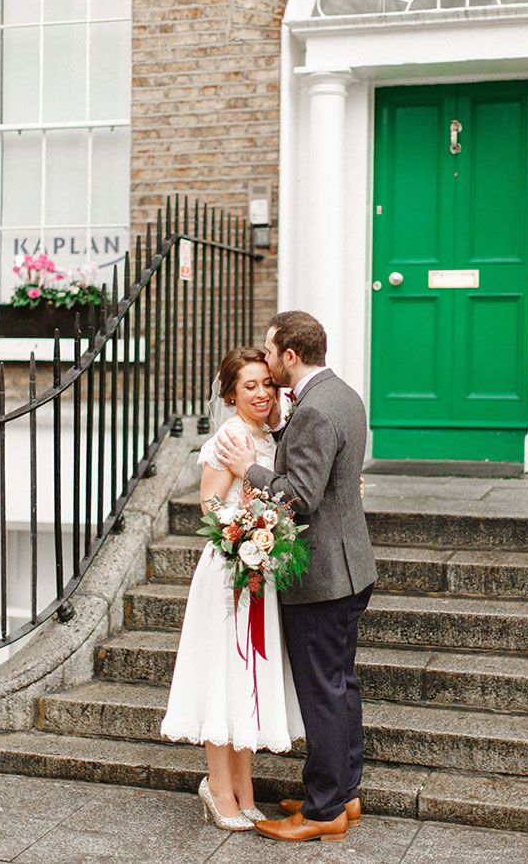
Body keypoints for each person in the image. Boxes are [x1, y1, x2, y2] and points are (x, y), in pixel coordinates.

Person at [215, 310, 377, 843]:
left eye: (269, 350)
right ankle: (344, 793)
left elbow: (299, 495)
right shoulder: (342, 394)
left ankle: (324, 809)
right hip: (353, 566)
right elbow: (325, 465)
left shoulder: (313, 409)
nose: (264, 358)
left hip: (324, 577)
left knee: (324, 692)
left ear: (290, 355)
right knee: (342, 684)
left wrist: (249, 470)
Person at [160, 347, 304, 831]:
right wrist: (247, 534)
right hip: (229, 572)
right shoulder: (231, 436)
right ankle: (217, 786)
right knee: (224, 675)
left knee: (247, 679)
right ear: (230, 394)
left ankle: (245, 788)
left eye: (267, 382)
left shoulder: (269, 434)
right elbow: (209, 506)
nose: (262, 392)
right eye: (250, 385)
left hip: (260, 569)